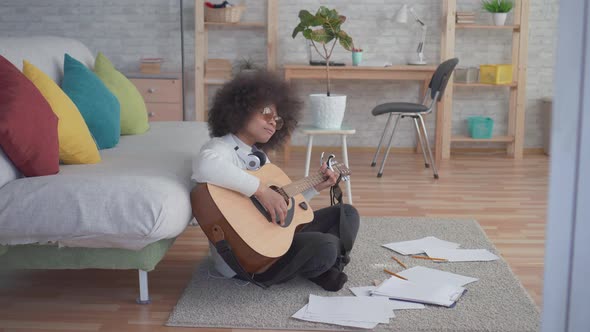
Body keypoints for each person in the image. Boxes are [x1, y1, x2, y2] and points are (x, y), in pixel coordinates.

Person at [191, 70, 359, 292]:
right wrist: (260, 190)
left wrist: (315, 188)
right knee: (326, 245)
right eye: (266, 114)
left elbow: (284, 205)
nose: (273, 123)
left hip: (274, 237)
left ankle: (323, 267)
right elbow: (204, 166)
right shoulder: (220, 147)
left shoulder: (261, 157)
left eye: (278, 120)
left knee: (345, 213)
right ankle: (326, 267)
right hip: (247, 257)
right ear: (241, 109)